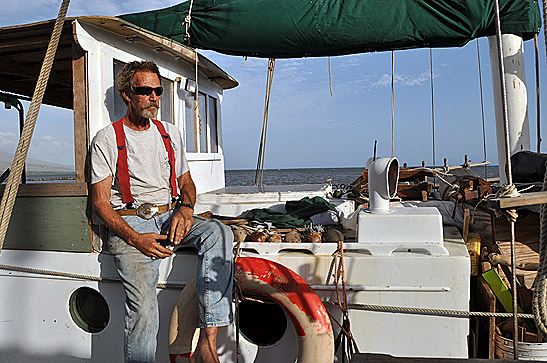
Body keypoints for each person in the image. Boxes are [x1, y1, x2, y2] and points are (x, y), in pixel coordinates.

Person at [90, 60, 233, 363]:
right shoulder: (107, 138)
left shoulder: (170, 133)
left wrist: (186, 207)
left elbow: (187, 183)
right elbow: (100, 203)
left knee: (219, 233)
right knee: (143, 309)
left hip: (170, 216)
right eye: (146, 91)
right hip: (131, 224)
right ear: (127, 94)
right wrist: (134, 239)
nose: (155, 97)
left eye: (158, 91)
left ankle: (208, 343)